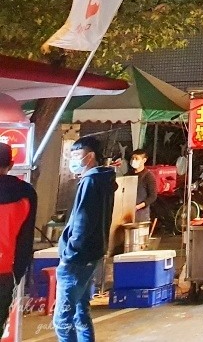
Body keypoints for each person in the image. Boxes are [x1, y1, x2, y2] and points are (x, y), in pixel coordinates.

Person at [56, 136, 116, 342]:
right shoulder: (102, 180)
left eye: (77, 155)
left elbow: (82, 222)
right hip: (92, 254)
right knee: (81, 311)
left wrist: (69, 254)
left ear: (90, 157)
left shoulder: (91, 181)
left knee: (62, 321)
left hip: (77, 258)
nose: (72, 159)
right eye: (71, 155)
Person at [0, 142, 36, 327]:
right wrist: (18, 274)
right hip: (5, 274)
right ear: (11, 164)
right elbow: (26, 239)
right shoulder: (26, 192)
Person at [129, 149, 158, 224]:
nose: (133, 160)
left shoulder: (148, 176)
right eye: (132, 158)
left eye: (136, 159)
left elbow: (153, 196)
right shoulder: (128, 174)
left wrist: (138, 207)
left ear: (144, 160)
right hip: (127, 215)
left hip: (141, 217)